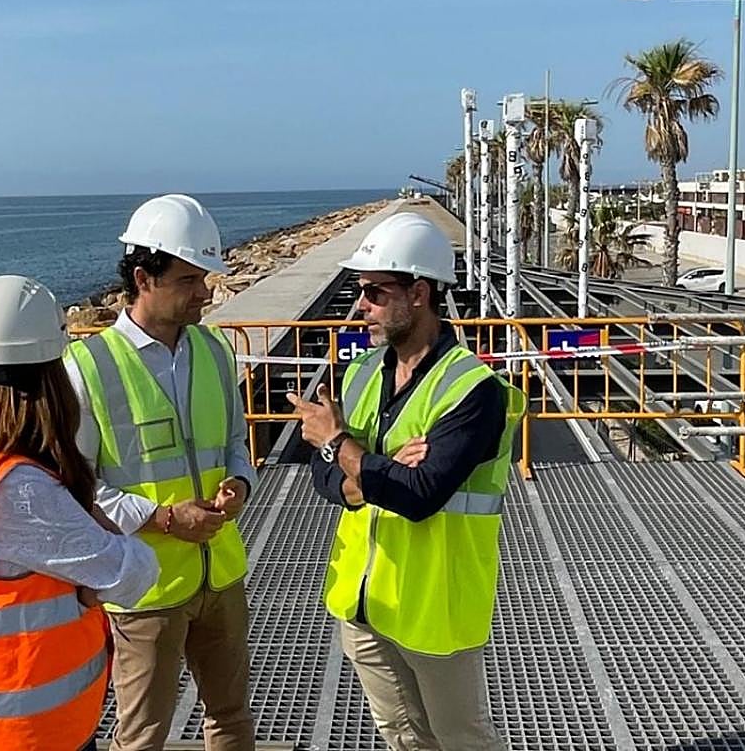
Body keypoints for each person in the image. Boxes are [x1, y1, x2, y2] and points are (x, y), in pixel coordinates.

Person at [289, 212, 526, 751]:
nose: (360, 306)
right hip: (365, 602)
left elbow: (420, 496)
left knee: (461, 739)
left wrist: (339, 444)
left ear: (419, 293)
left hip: (435, 608)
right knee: (400, 736)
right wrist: (371, 468)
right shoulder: (360, 373)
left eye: (374, 292)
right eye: (358, 291)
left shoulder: (474, 390)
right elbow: (322, 479)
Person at [0, 274, 160, 751]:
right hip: (37, 732)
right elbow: (134, 573)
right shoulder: (17, 490)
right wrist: (99, 540)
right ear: (51, 378)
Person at [64, 193, 257, 751]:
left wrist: (240, 485)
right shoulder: (89, 367)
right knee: (143, 734)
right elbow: (79, 486)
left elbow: (238, 445)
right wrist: (164, 518)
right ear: (144, 278)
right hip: (146, 588)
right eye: (191, 280)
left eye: (206, 279)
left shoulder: (217, 351)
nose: (206, 293)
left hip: (220, 575)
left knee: (231, 717)